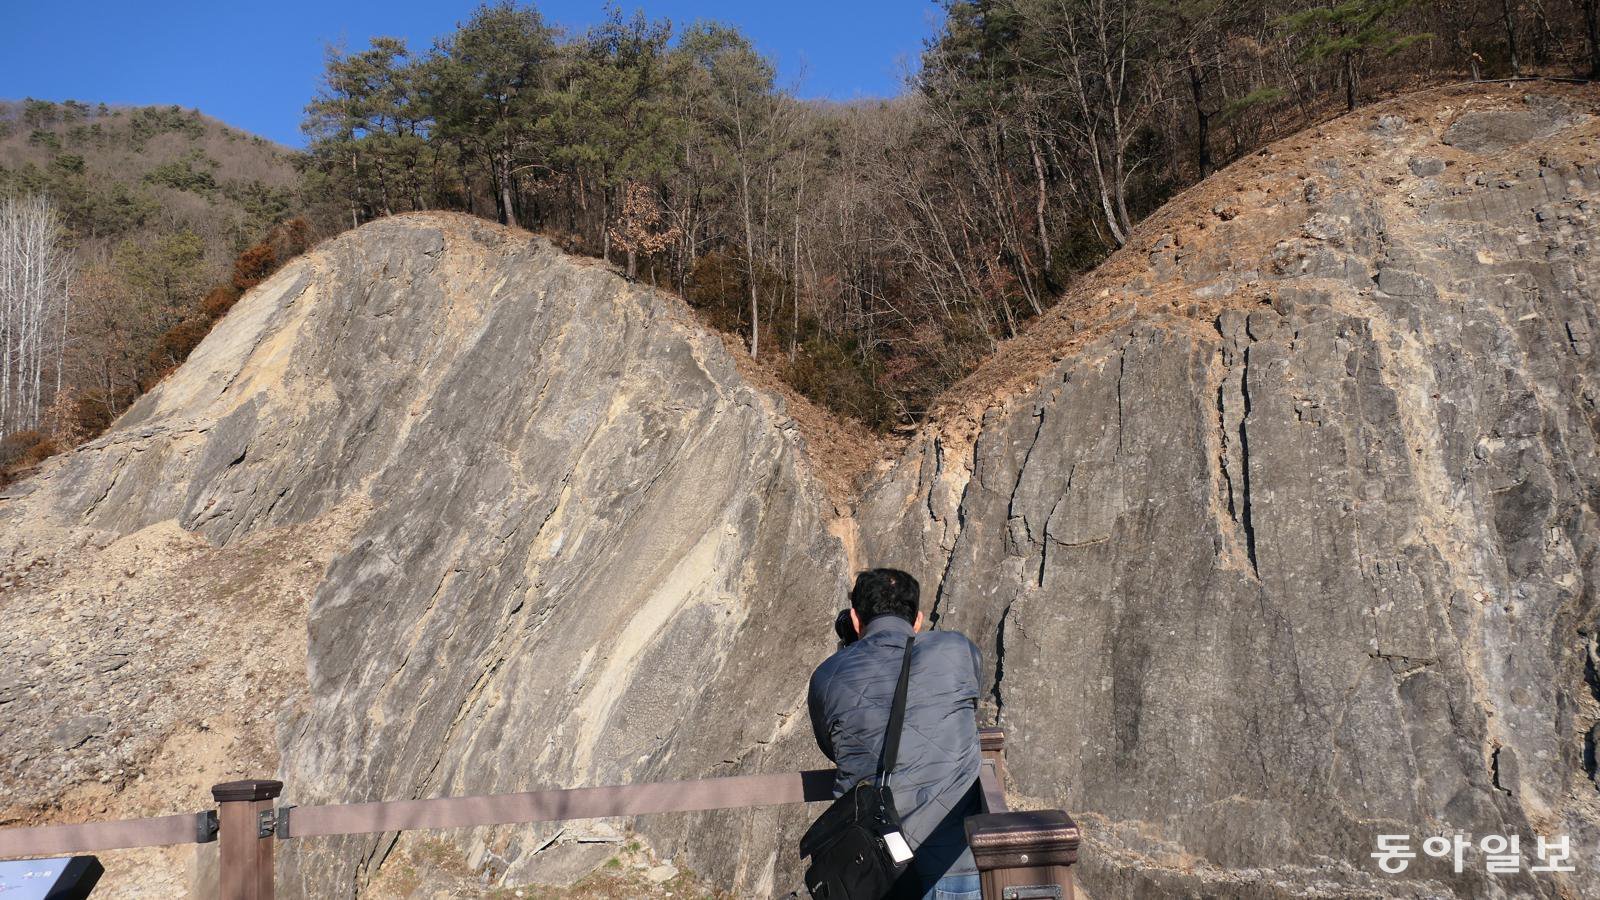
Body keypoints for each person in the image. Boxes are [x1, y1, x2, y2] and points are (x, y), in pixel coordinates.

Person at [807, 568, 984, 900]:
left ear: (856, 621)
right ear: (917, 620)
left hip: (872, 870)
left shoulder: (826, 676)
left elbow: (831, 747)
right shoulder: (958, 650)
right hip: (953, 862)